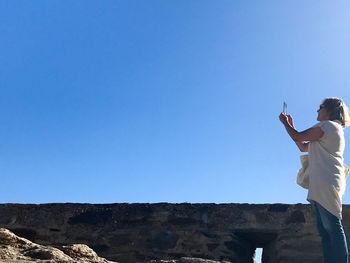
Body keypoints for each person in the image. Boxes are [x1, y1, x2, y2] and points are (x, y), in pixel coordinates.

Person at [279, 97, 350, 263]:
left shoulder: (327, 126)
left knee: (331, 228)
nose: (317, 110)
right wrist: (291, 125)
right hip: (325, 182)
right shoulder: (333, 129)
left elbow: (297, 137)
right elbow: (303, 145)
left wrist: (285, 123)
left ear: (329, 110)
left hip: (326, 182)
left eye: (320, 107)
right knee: (325, 230)